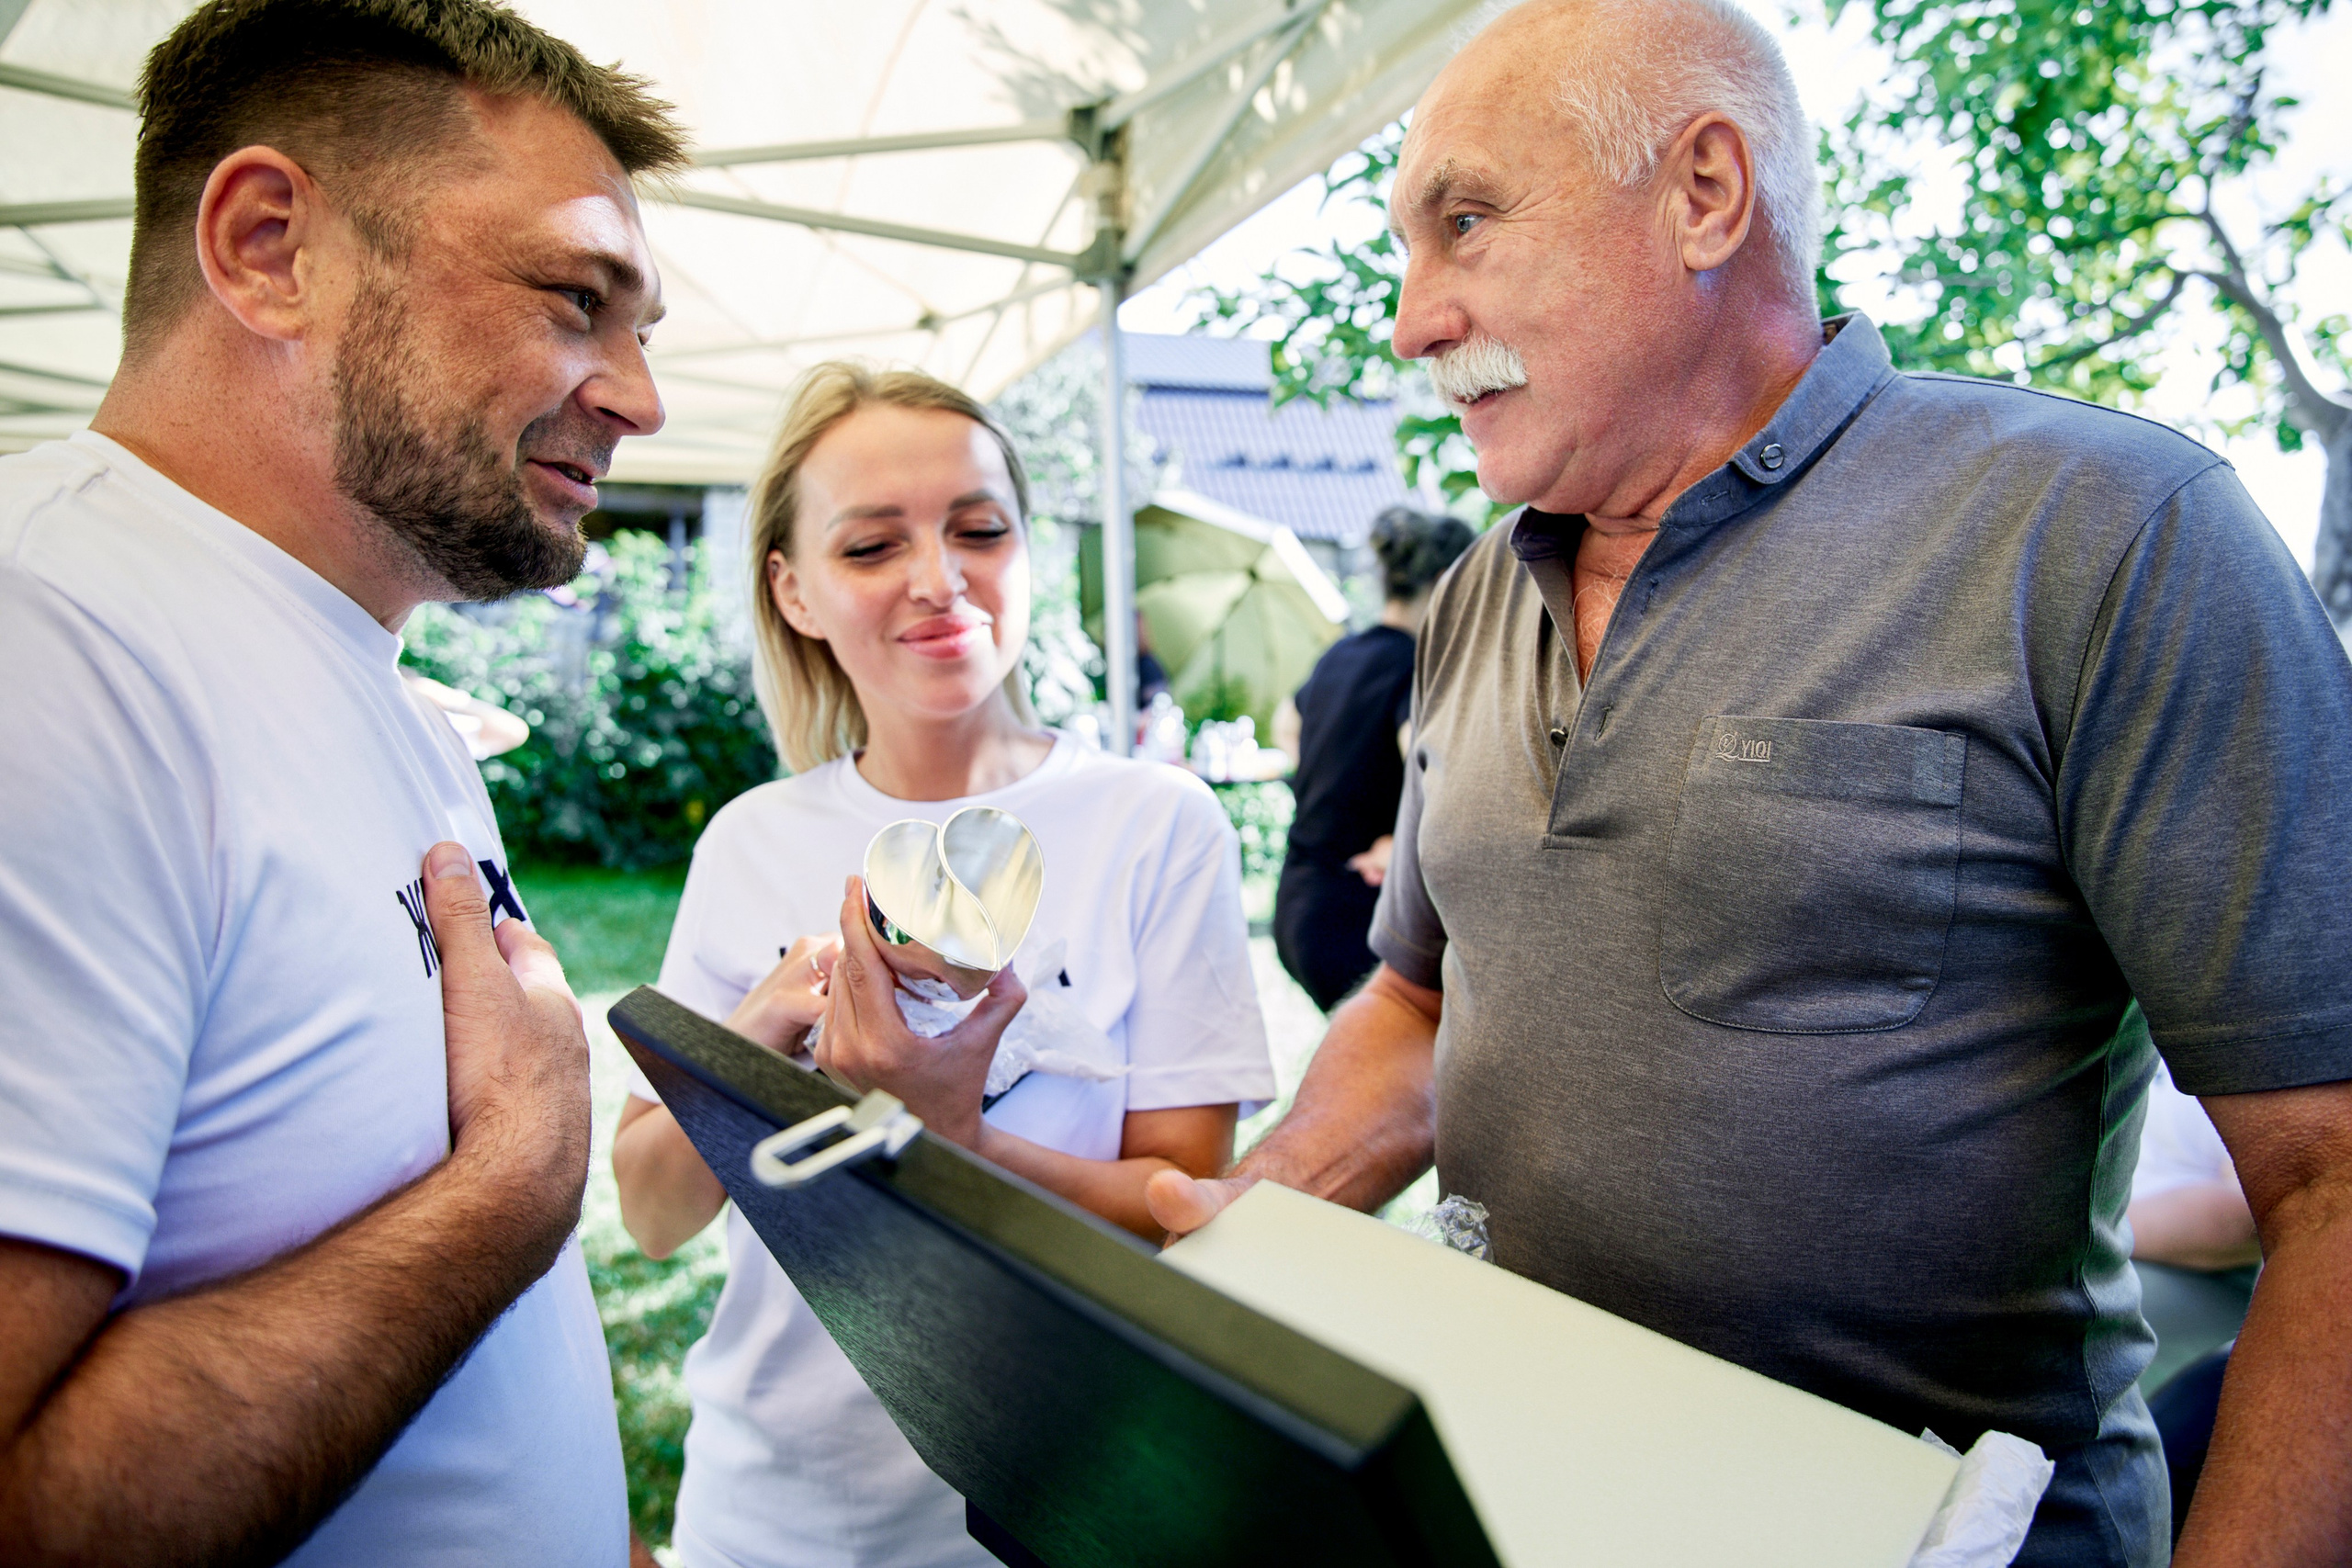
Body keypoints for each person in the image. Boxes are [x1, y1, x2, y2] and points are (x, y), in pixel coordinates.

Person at [1145, 4, 2352, 1565]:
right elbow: (1425, 1007)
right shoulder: (1468, 608)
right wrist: (1243, 1234)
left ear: (1705, 192)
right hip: (1507, 1506)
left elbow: (2330, 1179)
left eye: (1465, 224)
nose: (1409, 320)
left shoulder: (2103, 533)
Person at [0, 2, 684, 1562]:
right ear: (265, 247)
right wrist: (513, 1188)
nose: (640, 397)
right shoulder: (48, 636)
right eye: (578, 297)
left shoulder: (386, 694)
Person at [611, 363, 1275, 1568]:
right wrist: (757, 1030)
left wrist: (940, 1136)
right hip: (774, 1510)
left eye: (980, 529)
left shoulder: (1156, 822)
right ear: (794, 589)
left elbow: (1184, 1217)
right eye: (872, 546)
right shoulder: (749, 839)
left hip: (1060, 1502)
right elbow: (655, 1213)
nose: (940, 575)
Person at [1272, 505, 1475, 1010]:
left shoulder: (1341, 654)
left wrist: (1332, 774)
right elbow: (1433, 774)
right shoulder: (1416, 665)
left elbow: (1285, 722)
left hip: (1299, 897)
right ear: (1448, 581)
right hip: (1357, 908)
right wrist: (1400, 845)